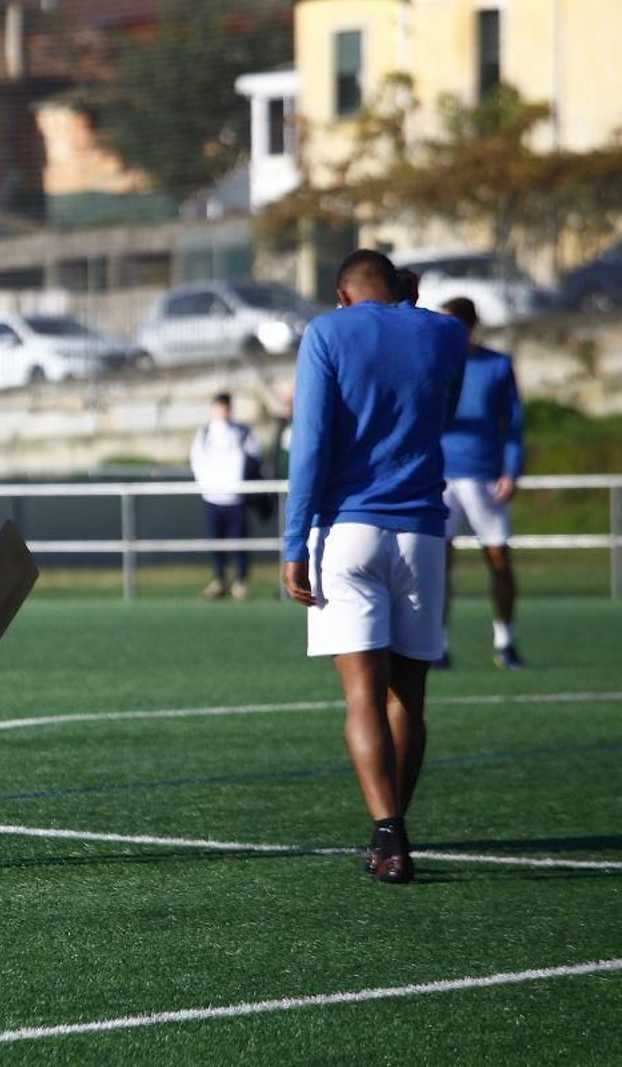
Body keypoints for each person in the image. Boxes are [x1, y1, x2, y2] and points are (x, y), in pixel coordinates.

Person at [281, 249, 467, 885]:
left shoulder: (327, 332)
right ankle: (393, 830)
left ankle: (388, 833)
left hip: (347, 531)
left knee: (362, 692)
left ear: (340, 296)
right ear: (404, 287)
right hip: (421, 532)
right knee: (407, 695)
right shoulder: (446, 332)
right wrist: (410, 305)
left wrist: (291, 544)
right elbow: (442, 410)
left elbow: (309, 445)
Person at [437, 297, 525, 670]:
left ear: (470, 326)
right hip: (438, 477)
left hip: (486, 477)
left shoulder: (496, 365)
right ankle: (437, 644)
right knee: (438, 565)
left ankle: (505, 640)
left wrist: (511, 471)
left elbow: (514, 425)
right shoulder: (433, 364)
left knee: (499, 560)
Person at [189, 392, 261, 600]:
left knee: (239, 542)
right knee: (216, 542)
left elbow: (255, 458)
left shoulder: (243, 432)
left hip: (237, 497)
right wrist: (205, 486)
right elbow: (196, 460)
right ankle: (218, 580)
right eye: (220, 407)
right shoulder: (204, 433)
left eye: (227, 407)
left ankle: (240, 581)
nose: (224, 411)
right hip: (213, 497)